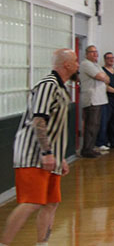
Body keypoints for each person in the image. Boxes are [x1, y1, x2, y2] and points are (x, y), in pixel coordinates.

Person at [0, 49, 77, 246]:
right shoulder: (47, 85)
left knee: (52, 203)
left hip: (51, 155)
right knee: (31, 202)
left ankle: (42, 243)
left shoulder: (62, 88)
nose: (78, 65)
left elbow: (55, 127)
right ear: (67, 65)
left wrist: (58, 156)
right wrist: (47, 153)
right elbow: (38, 121)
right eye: (75, 61)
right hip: (34, 154)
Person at [78, 45, 109, 158]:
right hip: (92, 99)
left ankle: (91, 147)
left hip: (99, 99)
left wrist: (103, 77)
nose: (95, 54)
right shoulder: (85, 64)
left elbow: (107, 78)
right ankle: (86, 149)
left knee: (96, 125)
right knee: (91, 125)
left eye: (96, 52)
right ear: (86, 54)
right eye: (92, 52)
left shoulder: (96, 65)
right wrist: (103, 77)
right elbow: (101, 77)